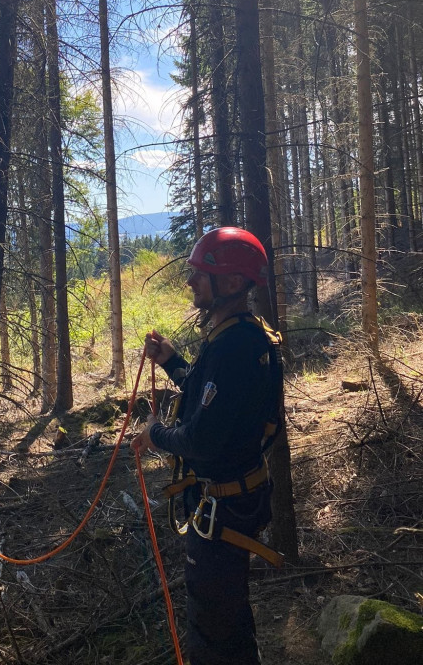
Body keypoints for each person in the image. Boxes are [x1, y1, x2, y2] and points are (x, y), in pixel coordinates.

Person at [132, 226, 283, 665]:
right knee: (227, 617)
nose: (190, 281)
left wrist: (155, 435)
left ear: (232, 282)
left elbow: (202, 438)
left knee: (213, 629)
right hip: (232, 500)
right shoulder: (241, 335)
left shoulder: (234, 347)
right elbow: (211, 400)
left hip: (224, 510)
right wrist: (171, 361)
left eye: (201, 273)